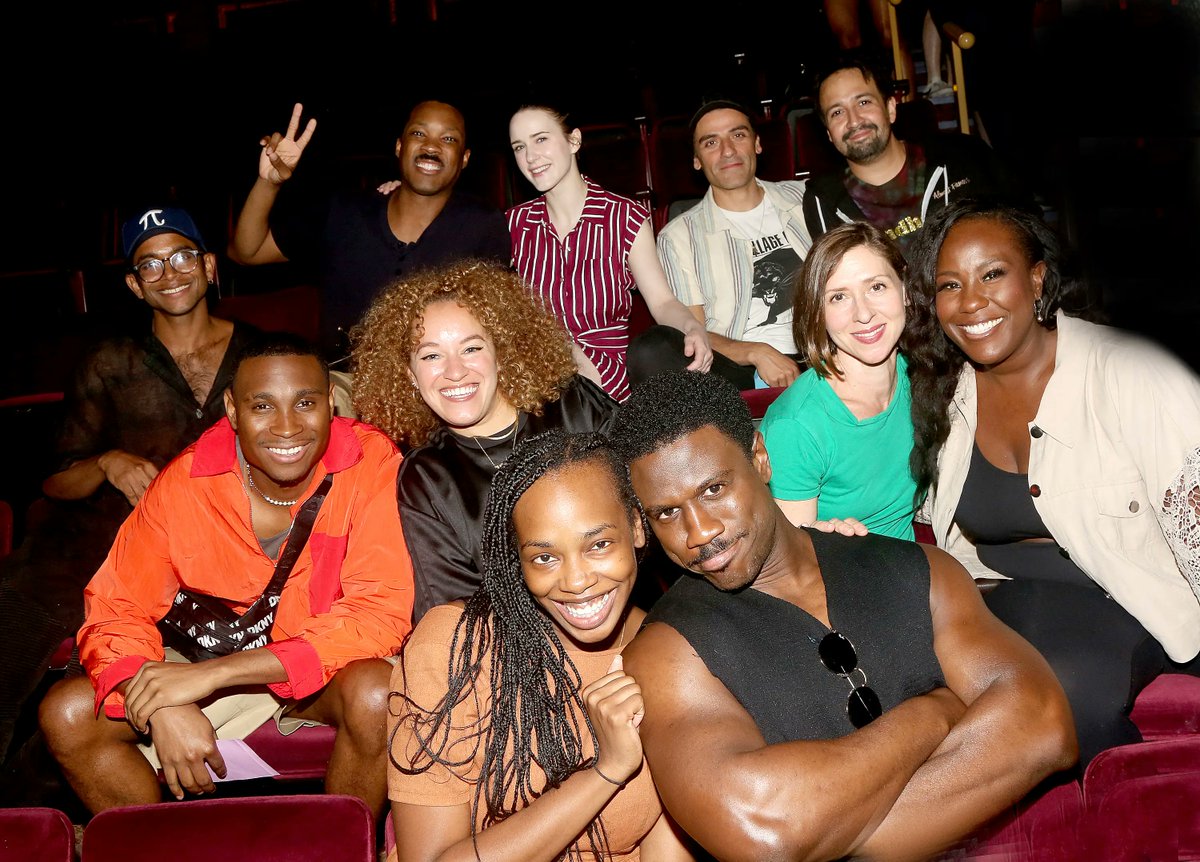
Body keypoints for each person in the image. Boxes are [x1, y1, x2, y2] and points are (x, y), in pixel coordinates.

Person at [608, 370, 1076, 861]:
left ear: (760, 458)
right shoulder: (666, 651)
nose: (700, 532)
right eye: (666, 513)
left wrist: (827, 836)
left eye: (713, 490)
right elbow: (765, 831)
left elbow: (1043, 724)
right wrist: (934, 712)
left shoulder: (915, 569)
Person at [38, 334, 414, 815]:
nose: (287, 427)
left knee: (378, 693)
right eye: (262, 406)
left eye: (305, 403)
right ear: (233, 411)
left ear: (331, 405)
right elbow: (117, 606)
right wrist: (163, 702)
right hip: (207, 649)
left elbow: (379, 614)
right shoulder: (188, 480)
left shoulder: (371, 463)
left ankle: (342, 847)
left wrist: (214, 677)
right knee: (65, 714)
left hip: (318, 663)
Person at [905, 198, 1200, 766]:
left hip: (1120, 595)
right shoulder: (948, 391)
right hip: (996, 595)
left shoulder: (1132, 375)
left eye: (993, 274)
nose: (971, 303)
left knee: (1058, 696)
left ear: (1037, 279)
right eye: (949, 285)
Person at [0, 206, 256, 771]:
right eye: (151, 264)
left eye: (183, 255)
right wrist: (107, 462)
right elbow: (54, 480)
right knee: (14, 621)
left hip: (215, 558)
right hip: (95, 548)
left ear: (210, 265)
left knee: (89, 681)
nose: (170, 272)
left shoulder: (260, 356)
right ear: (134, 286)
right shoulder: (109, 362)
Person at [388, 430, 693, 861]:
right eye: (545, 557)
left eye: (599, 544)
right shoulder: (455, 647)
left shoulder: (671, 649)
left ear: (637, 528)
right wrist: (604, 772)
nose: (575, 581)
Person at [352, 260, 619, 625]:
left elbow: (647, 505)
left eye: (471, 348)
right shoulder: (427, 478)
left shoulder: (572, 404)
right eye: (431, 355)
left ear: (501, 354)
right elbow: (455, 613)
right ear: (410, 375)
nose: (455, 371)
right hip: (522, 653)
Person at [228, 100, 511, 360]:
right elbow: (247, 252)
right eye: (419, 134)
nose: (431, 146)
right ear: (400, 147)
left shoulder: (483, 225)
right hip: (346, 389)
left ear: (464, 158)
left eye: (448, 139)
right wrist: (269, 183)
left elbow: (494, 329)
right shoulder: (344, 213)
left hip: (440, 389)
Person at [507, 104, 712, 402]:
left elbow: (663, 301)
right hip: (541, 380)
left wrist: (692, 326)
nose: (530, 157)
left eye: (541, 139)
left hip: (611, 382)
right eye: (519, 147)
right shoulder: (513, 225)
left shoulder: (623, 217)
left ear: (573, 141)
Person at [760, 221, 918, 539]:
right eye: (838, 297)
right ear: (818, 313)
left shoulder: (923, 377)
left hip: (920, 561)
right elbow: (793, 568)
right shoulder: (798, 425)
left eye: (876, 287)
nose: (863, 313)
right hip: (844, 576)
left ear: (905, 291)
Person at [649, 99, 814, 391]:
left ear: (757, 144)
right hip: (738, 370)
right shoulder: (679, 237)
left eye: (738, 135)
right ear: (697, 160)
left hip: (823, 350)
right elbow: (692, 334)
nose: (727, 151)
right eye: (711, 142)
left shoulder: (805, 199)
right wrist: (756, 351)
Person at [803, 54, 1032, 252]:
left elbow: (1029, 226)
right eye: (837, 112)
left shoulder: (962, 156)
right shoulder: (825, 201)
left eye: (864, 102)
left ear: (891, 109)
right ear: (829, 134)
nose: (854, 121)